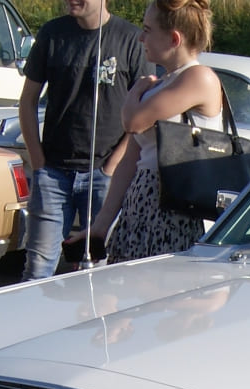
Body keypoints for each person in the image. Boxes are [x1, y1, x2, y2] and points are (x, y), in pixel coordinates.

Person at [19, 0, 148, 280]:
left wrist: (113, 165)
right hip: (53, 173)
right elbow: (27, 101)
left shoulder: (129, 39)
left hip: (104, 175)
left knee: (97, 274)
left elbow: (142, 115)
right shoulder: (52, 34)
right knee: (37, 270)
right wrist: (38, 162)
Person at [89, 0, 221, 264]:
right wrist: (101, 226)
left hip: (173, 207)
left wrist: (136, 91)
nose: (141, 37)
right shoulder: (164, 82)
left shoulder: (198, 77)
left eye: (148, 30)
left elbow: (133, 122)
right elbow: (131, 159)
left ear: (174, 39)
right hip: (141, 202)